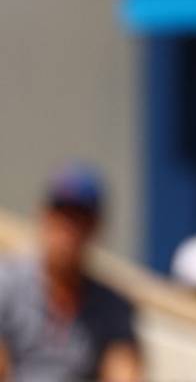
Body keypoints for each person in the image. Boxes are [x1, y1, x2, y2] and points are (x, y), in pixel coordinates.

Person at [0, 164, 141, 382]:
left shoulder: (113, 307)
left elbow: (124, 369)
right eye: (62, 216)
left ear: (95, 227)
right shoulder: (7, 285)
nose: (68, 231)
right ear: (44, 217)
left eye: (79, 220)